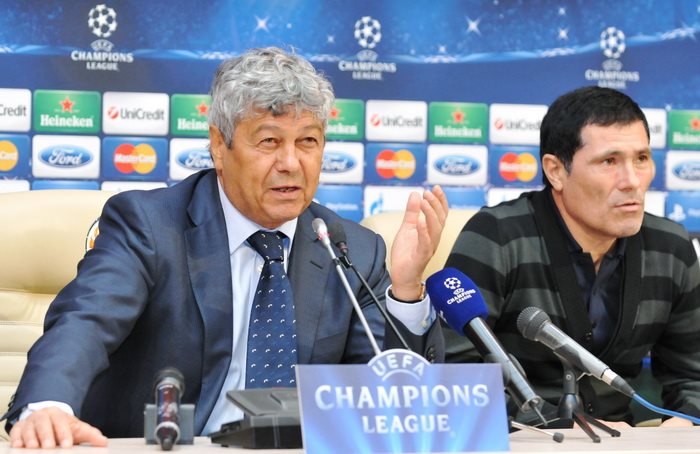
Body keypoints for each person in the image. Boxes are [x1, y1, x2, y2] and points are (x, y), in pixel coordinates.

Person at [3, 47, 448, 448]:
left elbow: (390, 401)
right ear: (219, 146)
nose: (291, 163)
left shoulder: (351, 249)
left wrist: (407, 291)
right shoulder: (150, 225)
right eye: (269, 141)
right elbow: (85, 321)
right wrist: (47, 406)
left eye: (307, 142)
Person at [444, 86, 700, 427]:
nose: (632, 181)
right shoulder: (497, 236)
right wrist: (560, 431)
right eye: (609, 161)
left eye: (641, 158)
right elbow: (455, 377)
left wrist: (683, 425)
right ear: (556, 171)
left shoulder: (671, 247)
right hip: (518, 440)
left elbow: (692, 376)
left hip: (625, 444)